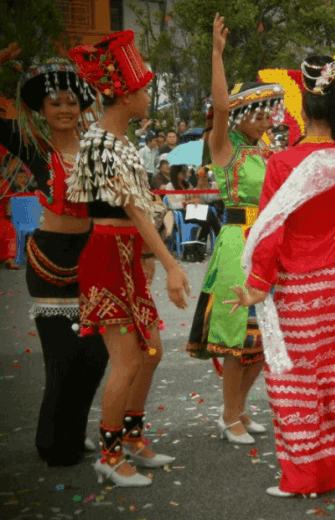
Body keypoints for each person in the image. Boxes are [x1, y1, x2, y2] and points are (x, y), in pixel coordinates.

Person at [229, 7, 335, 497]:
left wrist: (255, 287)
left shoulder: (284, 162)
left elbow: (268, 234)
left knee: (298, 389)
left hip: (299, 295)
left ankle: (305, 476)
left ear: (300, 110)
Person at [67, 30, 190, 486]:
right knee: (127, 361)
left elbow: (137, 209)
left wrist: (148, 258)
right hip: (105, 255)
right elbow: (135, 210)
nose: (146, 98)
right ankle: (110, 453)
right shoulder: (101, 142)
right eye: (141, 90)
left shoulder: (117, 144)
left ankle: (133, 437)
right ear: (122, 94)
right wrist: (171, 263)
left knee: (151, 352)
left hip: (125, 255)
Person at [0, 48, 109, 465]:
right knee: (62, 357)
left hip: (93, 256)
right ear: (40, 108)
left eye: (70, 101)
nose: (64, 108)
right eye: (54, 102)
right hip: (50, 260)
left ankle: (73, 430)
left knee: (95, 353)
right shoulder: (31, 144)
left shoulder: (97, 146)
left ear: (81, 105)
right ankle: (52, 442)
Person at [185, 14, 286, 445]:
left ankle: (239, 409)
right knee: (235, 337)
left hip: (267, 244)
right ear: (241, 114)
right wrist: (217, 56)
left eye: (269, 115)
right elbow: (220, 107)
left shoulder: (265, 150)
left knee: (264, 338)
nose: (267, 121)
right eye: (260, 114)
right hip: (236, 243)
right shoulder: (224, 147)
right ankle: (229, 417)